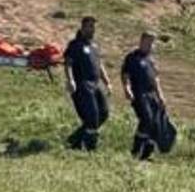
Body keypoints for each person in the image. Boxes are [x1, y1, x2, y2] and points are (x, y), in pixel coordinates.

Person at [121, 31, 177, 160]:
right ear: (142, 41)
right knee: (146, 119)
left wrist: (161, 96)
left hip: (152, 94)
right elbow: (125, 74)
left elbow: (155, 79)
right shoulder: (132, 57)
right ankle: (135, 150)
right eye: (149, 41)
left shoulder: (151, 59)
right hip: (139, 94)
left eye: (153, 42)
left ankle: (146, 154)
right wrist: (127, 88)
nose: (152, 45)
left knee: (155, 124)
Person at [63, 16, 111, 151]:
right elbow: (68, 64)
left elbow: (99, 65)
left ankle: (75, 140)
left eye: (93, 27)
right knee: (92, 116)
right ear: (83, 28)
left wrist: (107, 81)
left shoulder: (94, 46)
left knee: (104, 113)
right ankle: (90, 148)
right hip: (82, 84)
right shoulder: (75, 45)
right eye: (89, 26)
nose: (92, 29)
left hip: (96, 84)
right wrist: (70, 80)